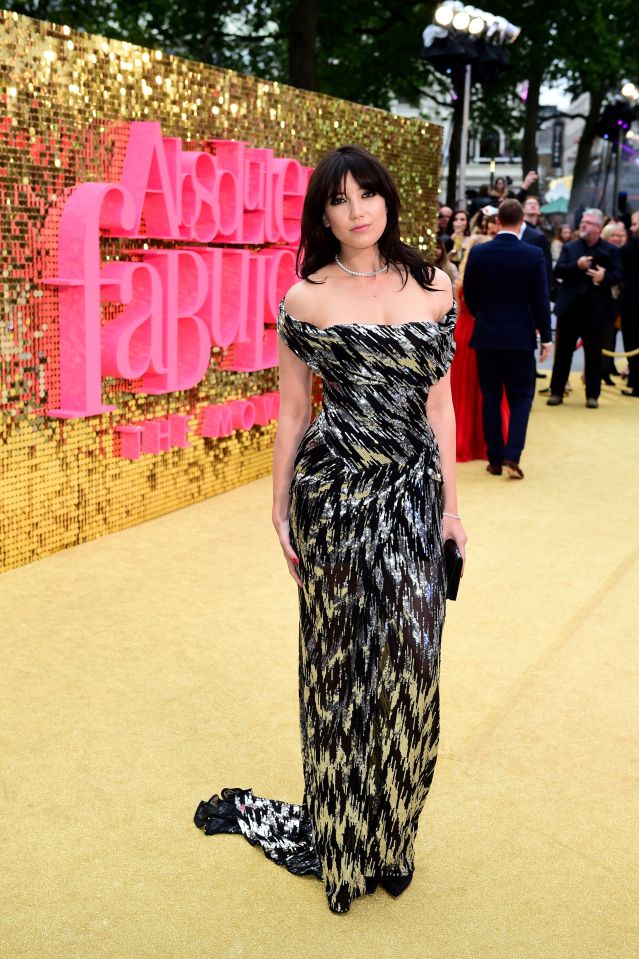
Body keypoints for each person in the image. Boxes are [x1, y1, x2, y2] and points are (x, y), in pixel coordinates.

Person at [195, 145, 467, 915]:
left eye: (368, 193)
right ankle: (344, 837)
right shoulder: (304, 299)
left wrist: (450, 508)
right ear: (322, 214)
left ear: (386, 199)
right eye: (340, 200)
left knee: (412, 662)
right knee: (340, 665)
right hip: (333, 496)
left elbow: (438, 406)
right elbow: (291, 413)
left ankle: (393, 836)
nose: (358, 209)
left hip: (411, 492)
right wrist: (277, 508)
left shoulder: (433, 284)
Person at [463, 198, 552, 478]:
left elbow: (470, 294)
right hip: (520, 337)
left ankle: (494, 459)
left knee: (490, 397)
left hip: (487, 334)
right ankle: (513, 454)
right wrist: (546, 337)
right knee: (521, 397)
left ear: (497, 221)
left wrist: (482, 315)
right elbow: (541, 299)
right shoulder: (533, 254)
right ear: (522, 222)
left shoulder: (479, 253)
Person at [547, 208, 623, 408]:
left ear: (598, 227)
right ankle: (557, 391)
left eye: (588, 222)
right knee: (563, 353)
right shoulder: (570, 247)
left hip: (596, 309)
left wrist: (604, 277)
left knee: (594, 355)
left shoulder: (611, 250)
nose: (583, 224)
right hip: (571, 308)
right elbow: (558, 269)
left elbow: (618, 274)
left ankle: (592, 395)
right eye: (582, 221)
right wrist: (577, 266)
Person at [451, 210, 510, 461]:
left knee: (466, 389)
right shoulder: (493, 281)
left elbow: (457, 305)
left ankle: (466, 437)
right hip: (485, 333)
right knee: (489, 388)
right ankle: (490, 440)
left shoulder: (462, 282)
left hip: (464, 333)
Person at [600, 221, 627, 384]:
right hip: (605, 299)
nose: (616, 238)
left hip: (618, 299)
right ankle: (603, 369)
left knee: (612, 335)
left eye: (619, 235)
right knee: (605, 335)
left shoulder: (622, 253)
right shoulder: (604, 252)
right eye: (613, 236)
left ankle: (609, 366)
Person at [619, 210, 639, 398]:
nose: (631, 229)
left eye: (634, 224)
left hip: (633, 303)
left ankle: (637, 384)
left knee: (632, 344)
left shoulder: (634, 243)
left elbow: (618, 256)